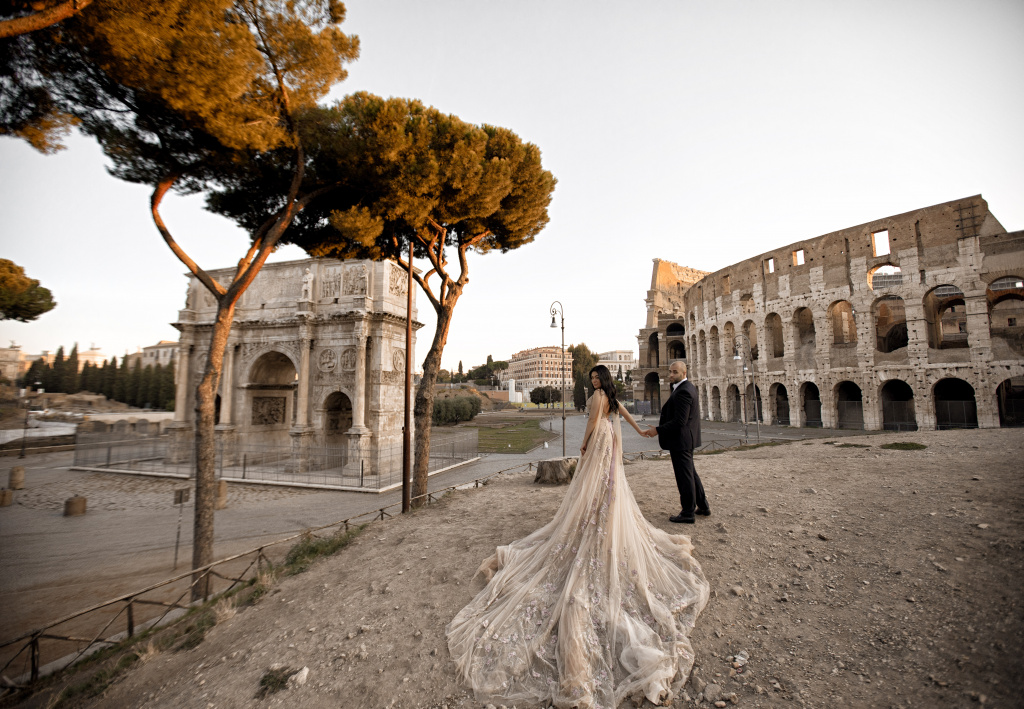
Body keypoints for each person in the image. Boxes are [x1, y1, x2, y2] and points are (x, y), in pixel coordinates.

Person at [447, 365, 709, 709]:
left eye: (597, 377)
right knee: (606, 486)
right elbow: (624, 414)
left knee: (594, 485)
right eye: (593, 378)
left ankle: (595, 517)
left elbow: (592, 422)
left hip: (599, 441)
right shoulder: (611, 396)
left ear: (603, 380)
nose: (594, 381)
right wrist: (641, 432)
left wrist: (584, 445)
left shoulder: (599, 397)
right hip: (611, 441)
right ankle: (601, 515)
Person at [641, 361, 709, 524]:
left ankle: (687, 513)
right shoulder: (686, 387)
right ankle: (703, 506)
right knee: (690, 473)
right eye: (670, 371)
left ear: (684, 373)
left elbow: (680, 421)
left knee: (684, 477)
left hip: (681, 440)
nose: (671, 375)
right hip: (685, 439)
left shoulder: (683, 391)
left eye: (675, 372)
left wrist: (658, 430)